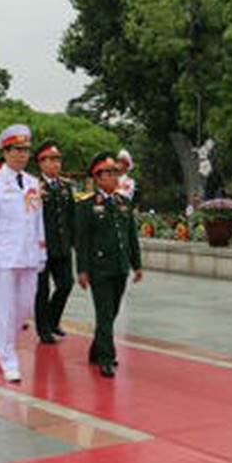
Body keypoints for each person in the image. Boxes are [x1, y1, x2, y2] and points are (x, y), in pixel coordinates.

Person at [0, 125, 47, 381]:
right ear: (5, 152)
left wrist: (41, 251)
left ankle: (1, 340)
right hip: (3, 257)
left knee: (24, 307)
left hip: (28, 254)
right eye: (16, 150)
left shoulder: (31, 183)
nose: (21, 155)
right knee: (5, 309)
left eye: (25, 150)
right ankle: (8, 358)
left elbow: (37, 219)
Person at [76, 151, 142, 378]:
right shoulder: (86, 205)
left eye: (116, 173)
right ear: (98, 177)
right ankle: (106, 357)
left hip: (120, 267)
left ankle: (97, 348)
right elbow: (82, 240)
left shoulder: (124, 202)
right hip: (99, 268)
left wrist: (137, 264)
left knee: (112, 312)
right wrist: (82, 269)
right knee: (104, 314)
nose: (115, 177)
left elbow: (131, 236)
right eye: (110, 173)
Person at [33, 139, 76, 344]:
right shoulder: (33, 187)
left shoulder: (66, 186)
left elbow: (71, 217)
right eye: (50, 160)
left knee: (66, 284)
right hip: (40, 247)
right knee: (42, 290)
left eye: (57, 159)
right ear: (41, 163)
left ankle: (53, 320)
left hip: (61, 245)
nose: (55, 164)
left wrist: (73, 241)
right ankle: (43, 329)